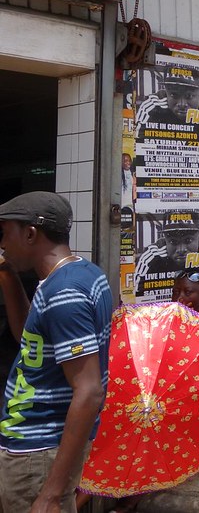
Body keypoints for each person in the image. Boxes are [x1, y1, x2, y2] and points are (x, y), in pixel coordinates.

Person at [0, 191, 113, 512]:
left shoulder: (65, 292)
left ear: (31, 233)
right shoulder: (80, 275)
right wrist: (7, 276)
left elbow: (89, 391)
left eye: (6, 232)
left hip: (39, 453)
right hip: (32, 446)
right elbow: (30, 338)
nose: (3, 244)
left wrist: (51, 492)